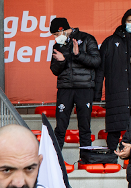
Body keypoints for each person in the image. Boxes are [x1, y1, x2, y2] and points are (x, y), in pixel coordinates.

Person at [48, 18, 100, 150]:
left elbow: (96, 61)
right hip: (65, 88)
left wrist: (78, 54)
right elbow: (54, 70)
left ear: (63, 30)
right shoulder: (57, 46)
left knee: (84, 127)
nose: (55, 37)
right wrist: (61, 61)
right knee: (60, 128)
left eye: (56, 34)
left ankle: (85, 158)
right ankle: (56, 159)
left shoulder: (87, 38)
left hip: (84, 88)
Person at [96, 9, 131, 152]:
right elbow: (100, 69)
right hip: (116, 91)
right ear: (124, 22)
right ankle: (112, 156)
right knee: (114, 128)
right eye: (129, 21)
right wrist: (96, 94)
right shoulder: (110, 42)